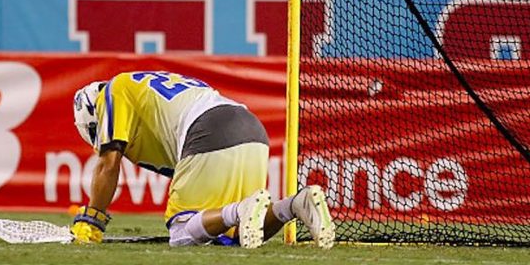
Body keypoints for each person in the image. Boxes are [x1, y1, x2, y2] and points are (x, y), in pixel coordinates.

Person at [70, 70, 335, 249]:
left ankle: (241, 207)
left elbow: (108, 163)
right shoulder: (146, 97)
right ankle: (295, 205)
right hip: (252, 127)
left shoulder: (113, 92)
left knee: (181, 231)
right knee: (239, 232)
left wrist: (93, 219)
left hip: (209, 128)